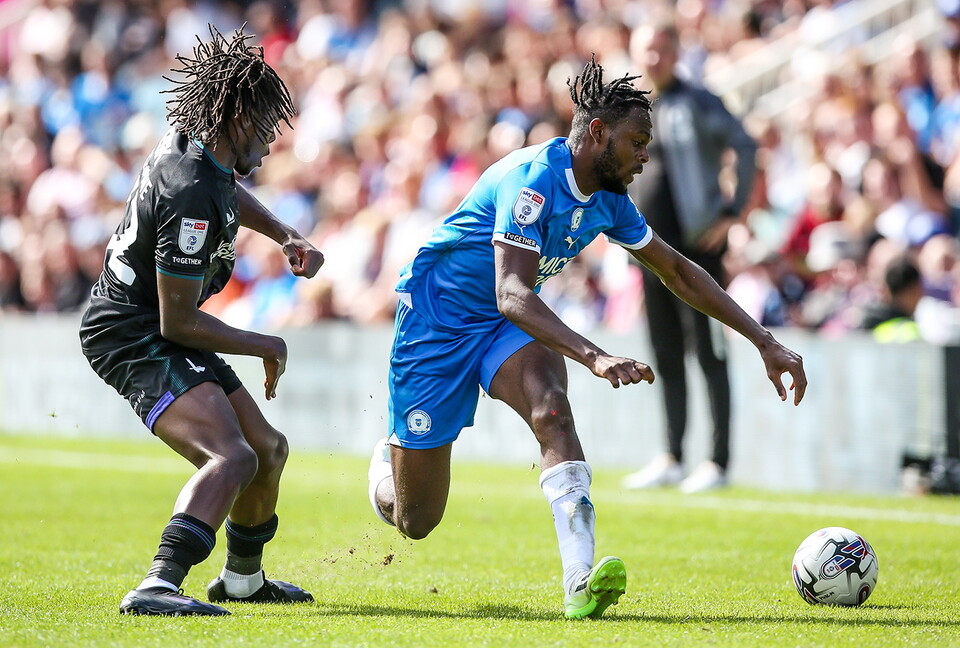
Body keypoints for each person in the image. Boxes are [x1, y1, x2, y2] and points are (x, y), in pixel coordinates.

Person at [366, 56, 806, 620]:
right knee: (416, 521)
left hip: (503, 326)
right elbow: (513, 294)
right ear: (597, 133)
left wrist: (763, 340)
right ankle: (387, 471)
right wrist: (595, 355)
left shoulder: (610, 201)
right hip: (438, 323)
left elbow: (679, 271)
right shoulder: (533, 182)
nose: (645, 154)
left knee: (553, 408)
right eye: (636, 141)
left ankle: (579, 581)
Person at [79, 26, 324, 616]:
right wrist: (263, 342)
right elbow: (179, 323)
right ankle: (158, 584)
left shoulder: (198, 146)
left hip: (154, 321)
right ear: (237, 118)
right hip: (131, 331)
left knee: (266, 449)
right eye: (264, 129)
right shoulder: (188, 188)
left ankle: (242, 580)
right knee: (231, 456)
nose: (267, 144)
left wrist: (286, 233)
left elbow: (229, 191)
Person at [622, 23, 759, 494]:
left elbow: (745, 144)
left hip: (697, 251)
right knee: (664, 351)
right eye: (647, 50)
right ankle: (672, 455)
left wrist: (731, 211)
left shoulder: (698, 101)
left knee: (709, 351)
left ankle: (718, 462)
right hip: (648, 252)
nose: (654, 58)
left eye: (662, 49)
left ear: (676, 52)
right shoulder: (632, 109)